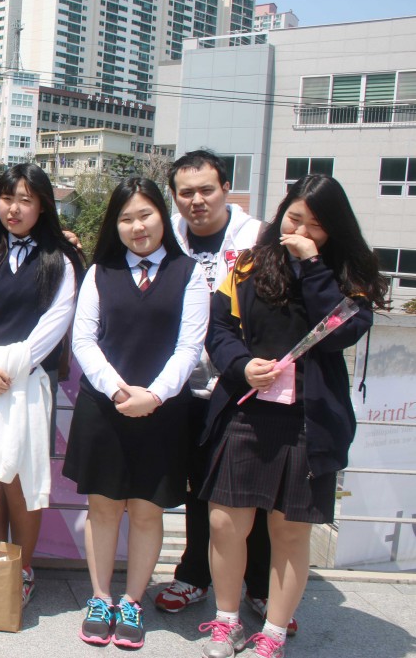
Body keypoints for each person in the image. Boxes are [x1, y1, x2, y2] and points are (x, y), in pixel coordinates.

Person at [197, 174, 386, 658]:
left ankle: (274, 632)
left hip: (309, 421)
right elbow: (219, 329)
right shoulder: (247, 264)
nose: (299, 231)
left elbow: (340, 331)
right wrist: (242, 365)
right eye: (293, 218)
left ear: (333, 229)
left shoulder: (350, 276)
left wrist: (312, 265)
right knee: (224, 522)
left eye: (314, 225)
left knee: (290, 530)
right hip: (246, 411)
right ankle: (226, 621)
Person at [62, 178, 208, 650]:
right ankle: (100, 597)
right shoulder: (99, 273)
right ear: (115, 225)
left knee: (147, 510)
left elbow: (190, 347)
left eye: (145, 215)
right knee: (103, 508)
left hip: (163, 412)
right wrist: (119, 390)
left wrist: (156, 395)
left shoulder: (189, 273)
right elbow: (84, 340)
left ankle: (132, 601)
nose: (137, 226)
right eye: (126, 219)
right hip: (105, 408)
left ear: (163, 217)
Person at [154, 150, 292, 633]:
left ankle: (260, 585)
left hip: (241, 387)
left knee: (251, 492)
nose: (196, 201)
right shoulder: (166, 236)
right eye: (185, 192)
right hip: (180, 386)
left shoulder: (258, 238)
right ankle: (194, 575)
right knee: (197, 487)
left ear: (226, 188)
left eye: (206, 190)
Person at [0, 163, 82, 607]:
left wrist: (10, 365)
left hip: (29, 381)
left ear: (42, 205)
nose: (14, 208)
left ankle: (22, 568)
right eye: (7, 198)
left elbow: (57, 321)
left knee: (23, 476)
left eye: (26, 199)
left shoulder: (60, 260)